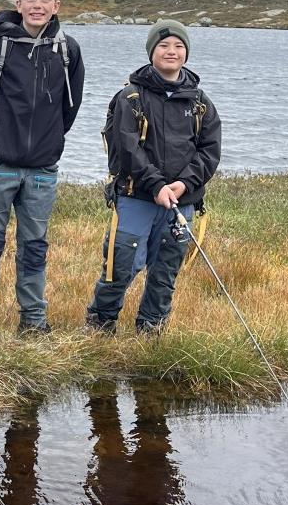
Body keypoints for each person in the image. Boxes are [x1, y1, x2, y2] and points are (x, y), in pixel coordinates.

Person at [0, 0, 85, 334]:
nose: (37, 5)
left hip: (42, 170)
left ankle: (33, 319)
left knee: (34, 246)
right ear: (18, 4)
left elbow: (70, 108)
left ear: (56, 5)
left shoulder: (68, 51)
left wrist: (50, 142)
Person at [85, 19, 221, 334]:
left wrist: (184, 184)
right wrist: (157, 185)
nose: (171, 51)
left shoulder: (201, 103)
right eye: (163, 45)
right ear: (151, 52)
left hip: (181, 202)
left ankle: (151, 329)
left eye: (178, 46)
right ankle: (100, 325)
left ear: (186, 53)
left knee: (165, 271)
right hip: (136, 197)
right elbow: (127, 149)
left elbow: (209, 151)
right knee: (120, 266)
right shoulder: (130, 97)